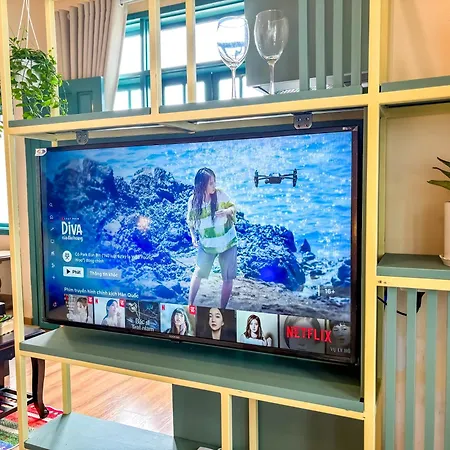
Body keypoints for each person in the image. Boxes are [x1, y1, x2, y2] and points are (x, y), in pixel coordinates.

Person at [187, 168, 238, 309]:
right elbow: (190, 222)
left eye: (214, 182)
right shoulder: (193, 201)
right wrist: (193, 237)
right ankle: (190, 305)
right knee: (198, 273)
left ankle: (222, 309)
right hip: (207, 245)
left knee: (227, 278)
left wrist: (226, 211)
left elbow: (233, 207)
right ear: (202, 185)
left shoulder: (220, 194)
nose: (214, 185)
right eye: (211, 183)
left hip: (227, 243)